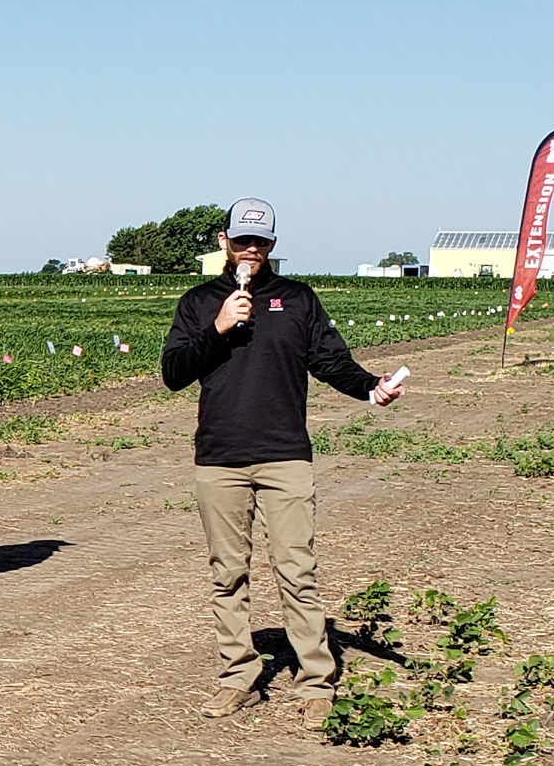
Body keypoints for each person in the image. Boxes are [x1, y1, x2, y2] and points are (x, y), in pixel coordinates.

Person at [160, 197, 405, 720]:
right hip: (220, 458)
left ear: (273, 245)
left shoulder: (297, 299)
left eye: (262, 242)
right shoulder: (201, 302)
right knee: (228, 573)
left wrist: (370, 388)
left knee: (297, 570)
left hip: (284, 456)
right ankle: (238, 677)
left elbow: (331, 360)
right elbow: (173, 371)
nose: (251, 250)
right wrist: (219, 327)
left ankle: (315, 681)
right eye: (242, 240)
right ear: (224, 241)